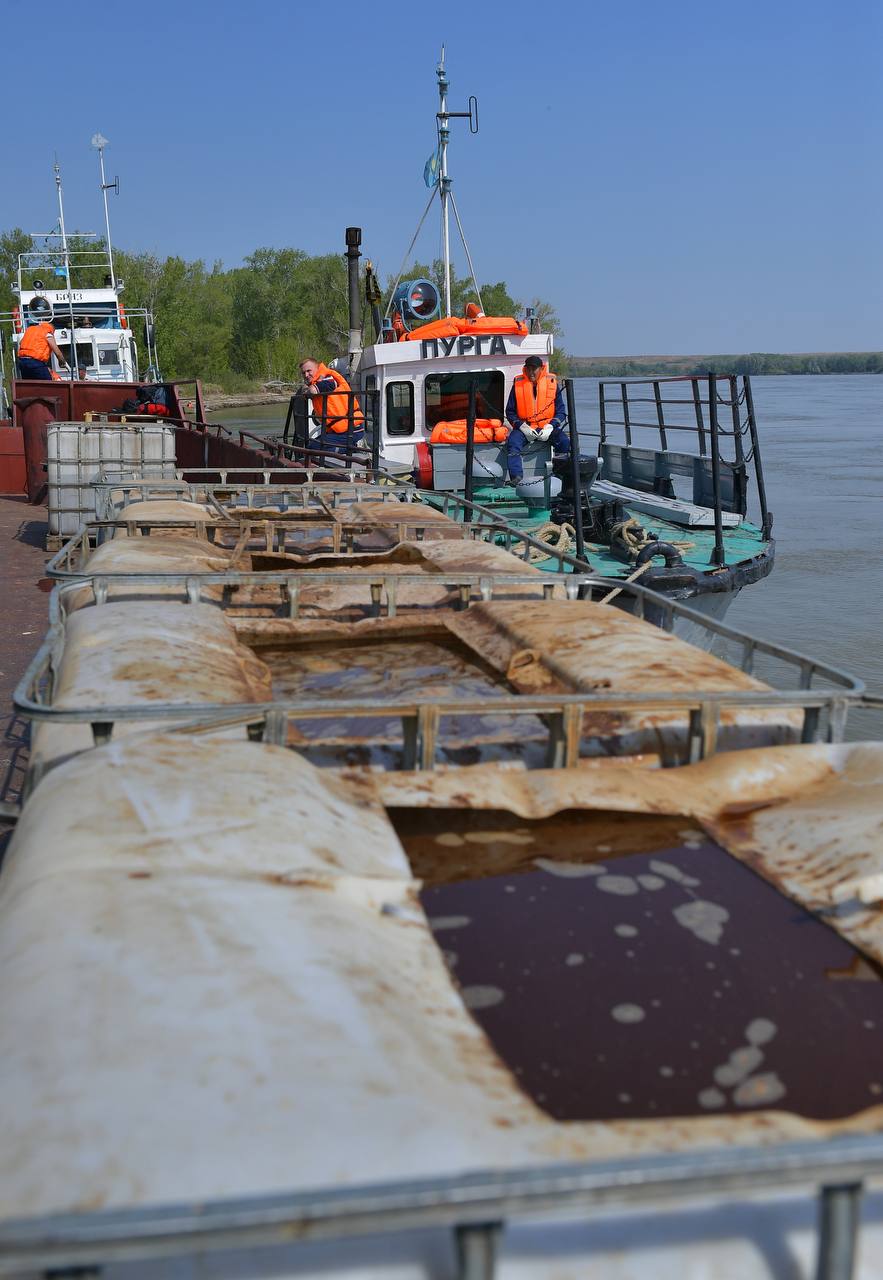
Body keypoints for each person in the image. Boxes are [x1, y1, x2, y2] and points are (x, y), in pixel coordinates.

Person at [505, 355, 569, 482]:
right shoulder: (518, 385)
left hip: (547, 427)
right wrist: (522, 427)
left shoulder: (552, 384)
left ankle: (561, 476)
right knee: (513, 443)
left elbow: (561, 412)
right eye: (528, 369)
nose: (530, 372)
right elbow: (510, 411)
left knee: (564, 442)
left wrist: (550, 426)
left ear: (541, 369)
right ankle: (516, 477)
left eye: (533, 369)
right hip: (525, 428)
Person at [299, 357, 364, 455]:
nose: (306, 375)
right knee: (312, 446)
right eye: (304, 373)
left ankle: (351, 449)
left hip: (352, 429)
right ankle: (349, 448)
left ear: (317, 368)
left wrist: (307, 391)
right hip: (339, 430)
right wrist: (306, 389)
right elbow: (309, 389)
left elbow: (314, 390)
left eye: (309, 371)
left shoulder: (328, 377)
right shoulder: (316, 381)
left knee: (312, 448)